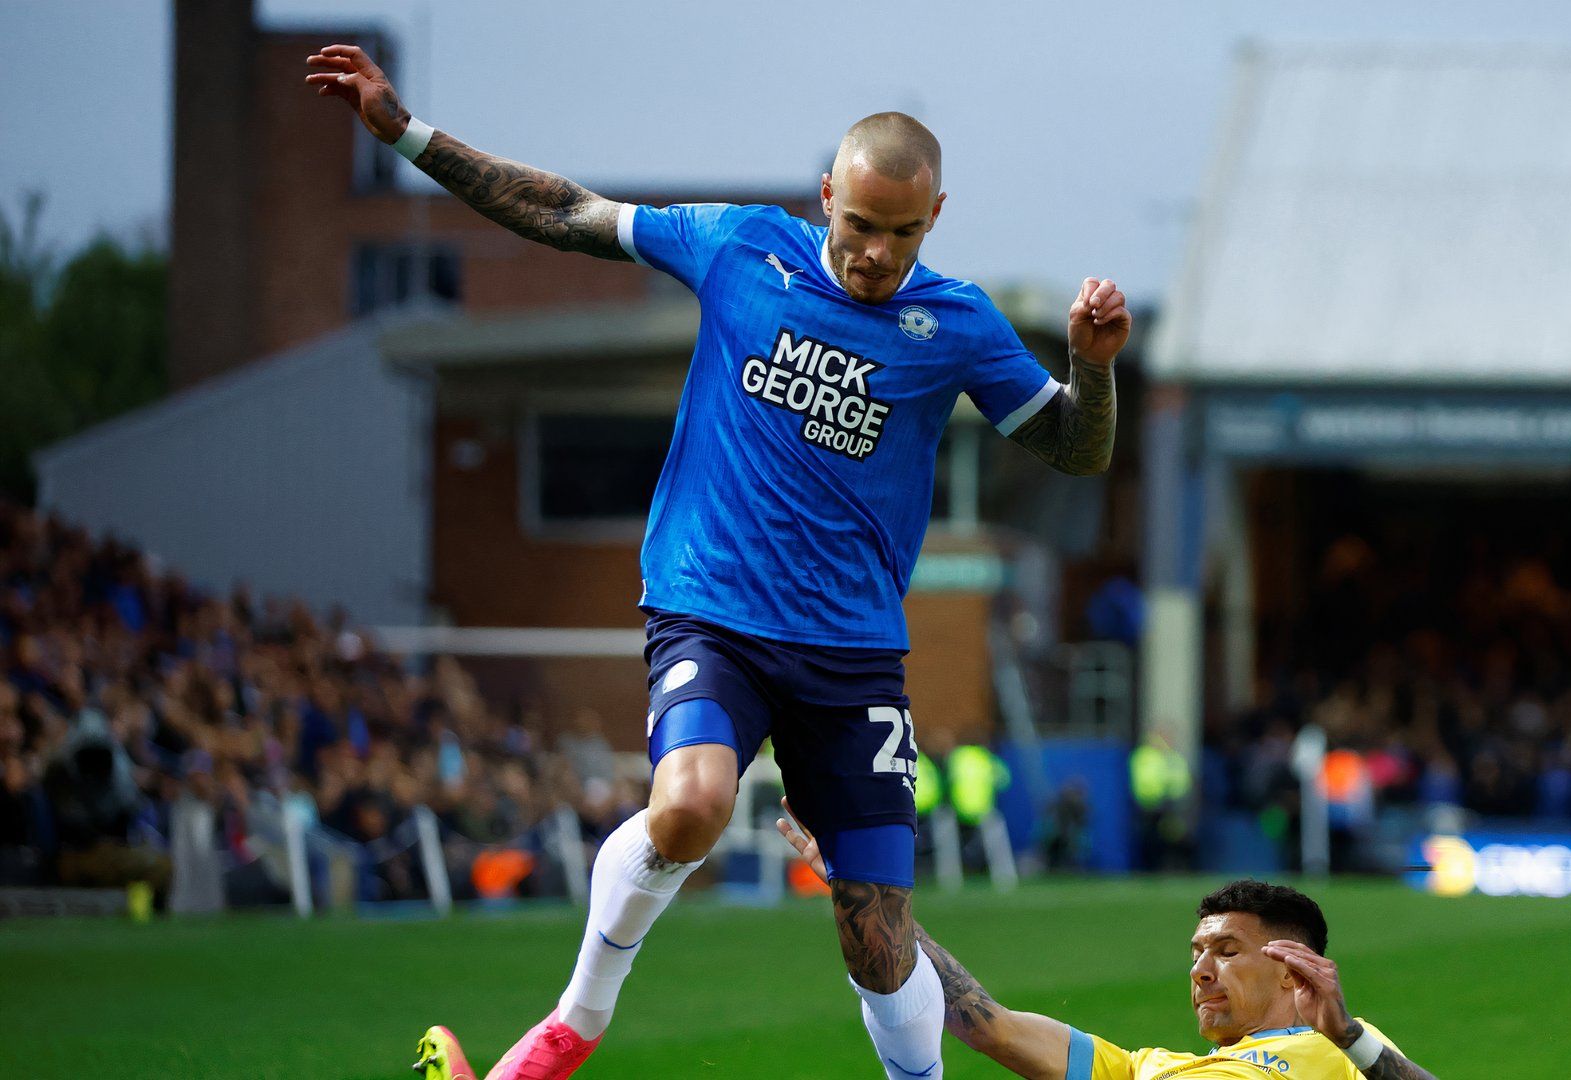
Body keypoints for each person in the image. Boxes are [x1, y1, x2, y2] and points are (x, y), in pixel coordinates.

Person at [307, 44, 1129, 1080]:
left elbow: (1075, 447)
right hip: (714, 610)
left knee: (876, 937)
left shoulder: (957, 323)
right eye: (860, 225)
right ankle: (570, 1029)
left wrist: (1093, 372)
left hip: (853, 651)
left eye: (902, 233)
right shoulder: (742, 247)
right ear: (827, 196)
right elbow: (565, 211)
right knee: (689, 805)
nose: (875, 253)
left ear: (937, 216)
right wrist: (407, 134)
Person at [779, 803, 1440, 1080]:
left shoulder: (1333, 1055)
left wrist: (1349, 1034)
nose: (1202, 970)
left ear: (1295, 974)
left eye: (1228, 951)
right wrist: (864, 893)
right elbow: (989, 1025)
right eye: (1196, 954)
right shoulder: (1143, 1067)